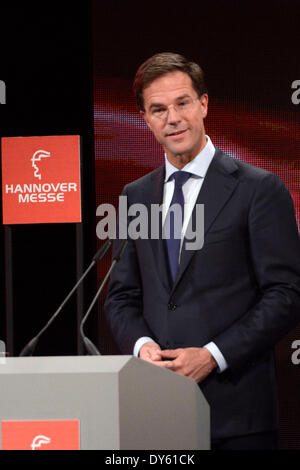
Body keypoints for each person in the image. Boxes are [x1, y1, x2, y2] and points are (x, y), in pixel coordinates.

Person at [104, 52, 300, 450]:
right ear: (144, 118)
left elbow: (286, 294)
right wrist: (143, 348)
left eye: (182, 103)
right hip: (157, 415)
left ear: (204, 104)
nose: (172, 118)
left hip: (236, 414)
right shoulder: (136, 196)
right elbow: (121, 296)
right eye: (158, 109)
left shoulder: (258, 189)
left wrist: (212, 355)